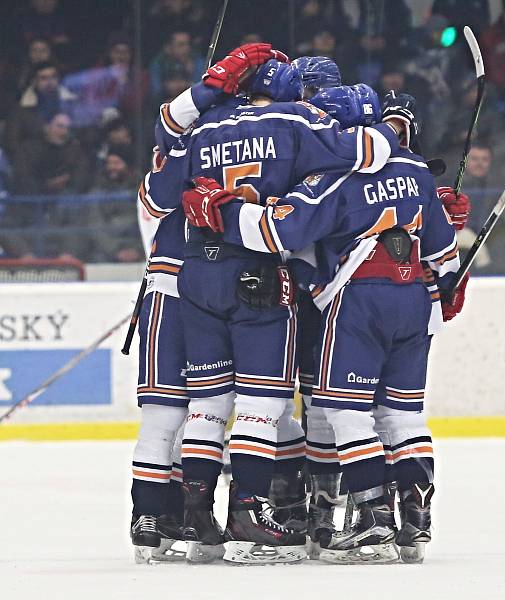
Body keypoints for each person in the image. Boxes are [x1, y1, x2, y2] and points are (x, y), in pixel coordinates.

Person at [181, 92, 467, 564]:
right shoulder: (416, 172)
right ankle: (415, 521)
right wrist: (450, 280)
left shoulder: (331, 180)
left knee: (344, 414)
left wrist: (221, 211)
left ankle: (372, 516)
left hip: (357, 304)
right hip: (414, 300)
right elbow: (444, 255)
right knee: (402, 414)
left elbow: (276, 233)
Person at [141, 59, 407, 565]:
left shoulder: (205, 128)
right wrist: (397, 128)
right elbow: (371, 154)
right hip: (263, 274)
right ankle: (254, 518)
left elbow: (159, 180)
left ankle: (198, 518)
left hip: (198, 271)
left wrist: (203, 92)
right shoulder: (294, 122)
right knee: (267, 406)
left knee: (209, 405)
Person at [130, 42, 289, 564]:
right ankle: (152, 514)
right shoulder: (179, 156)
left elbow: (172, 132)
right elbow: (161, 179)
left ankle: (182, 513)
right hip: (177, 292)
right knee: (168, 417)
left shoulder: (193, 148)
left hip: (194, 288)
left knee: (202, 409)